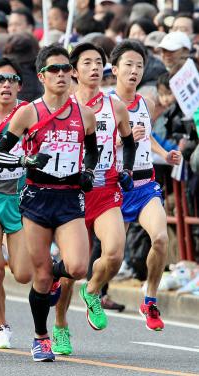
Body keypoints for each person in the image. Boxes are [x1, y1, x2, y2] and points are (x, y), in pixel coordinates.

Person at [0, 44, 98, 362]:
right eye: (54, 70)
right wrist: (26, 159)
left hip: (68, 198)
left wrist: (87, 171)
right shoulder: (29, 113)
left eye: (66, 69)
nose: (62, 74)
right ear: (42, 76)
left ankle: (50, 273)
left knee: (78, 267)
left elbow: (91, 150)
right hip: (37, 198)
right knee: (39, 276)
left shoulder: (84, 114)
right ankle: (40, 336)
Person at [51, 43, 134, 355]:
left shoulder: (116, 106)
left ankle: (94, 289)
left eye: (99, 63)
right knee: (73, 268)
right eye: (87, 63)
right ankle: (59, 327)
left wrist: (124, 169)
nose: (95, 68)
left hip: (105, 189)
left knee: (113, 253)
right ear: (74, 71)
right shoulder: (61, 106)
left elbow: (127, 141)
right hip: (70, 194)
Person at [110, 40, 182, 331]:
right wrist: (121, 139)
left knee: (161, 239)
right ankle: (93, 291)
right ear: (115, 69)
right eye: (128, 64)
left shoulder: (146, 103)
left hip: (144, 182)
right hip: (115, 186)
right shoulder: (102, 105)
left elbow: (146, 135)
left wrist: (164, 153)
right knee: (112, 258)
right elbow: (91, 145)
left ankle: (149, 299)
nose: (134, 71)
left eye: (139, 66)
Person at [0, 57, 32, 349]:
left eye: (12, 80)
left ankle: (45, 264)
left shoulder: (28, 115)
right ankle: (1, 327)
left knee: (23, 274)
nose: (6, 85)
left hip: (20, 200)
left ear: (19, 86)